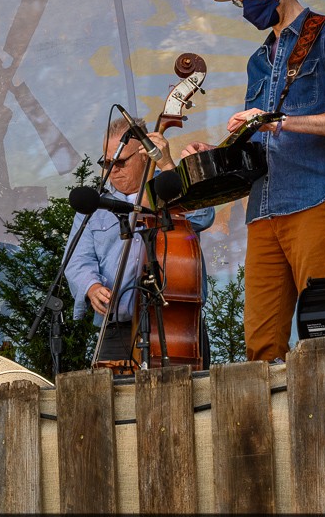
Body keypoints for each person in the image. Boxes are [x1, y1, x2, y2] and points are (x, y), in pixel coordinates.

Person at [183, 0, 325, 362]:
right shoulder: (257, 61)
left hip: (316, 200)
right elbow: (259, 143)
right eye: (240, 1)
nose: (246, 6)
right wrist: (214, 155)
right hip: (262, 214)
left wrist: (282, 121)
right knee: (261, 350)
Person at [65, 118, 215, 364]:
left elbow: (203, 215)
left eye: (121, 161)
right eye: (106, 162)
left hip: (174, 324)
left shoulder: (166, 185)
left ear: (144, 155)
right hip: (115, 329)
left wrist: (167, 165)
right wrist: (91, 287)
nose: (112, 169)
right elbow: (77, 260)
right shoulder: (95, 204)